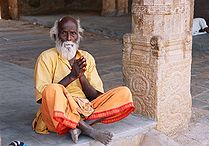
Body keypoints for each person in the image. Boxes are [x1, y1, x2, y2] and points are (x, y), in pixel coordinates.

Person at [32, 16, 135, 145]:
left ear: (78, 36)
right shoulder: (46, 57)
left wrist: (81, 76)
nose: (69, 38)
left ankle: (78, 127)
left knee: (124, 93)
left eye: (73, 34)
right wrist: (72, 76)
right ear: (56, 35)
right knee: (52, 89)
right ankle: (89, 130)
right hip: (58, 116)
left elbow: (95, 96)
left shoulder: (87, 57)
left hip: (85, 110)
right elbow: (43, 98)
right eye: (64, 33)